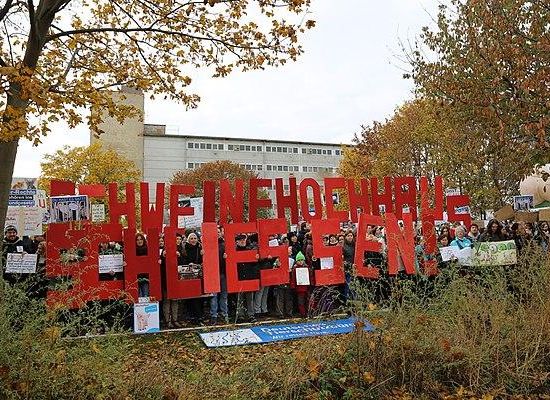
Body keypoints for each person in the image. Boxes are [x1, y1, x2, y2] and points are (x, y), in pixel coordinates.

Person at [235, 233, 258, 323]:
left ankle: (250, 315)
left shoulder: (249, 250)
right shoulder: (234, 251)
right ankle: (240, 315)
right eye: (241, 240)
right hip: (239, 277)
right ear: (237, 242)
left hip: (249, 276)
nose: (243, 241)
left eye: (244, 240)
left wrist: (256, 259)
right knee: (239, 298)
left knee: (249, 298)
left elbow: (254, 264)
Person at [183, 232, 204, 325]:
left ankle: (199, 316)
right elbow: (183, 260)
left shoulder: (200, 248)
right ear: (188, 240)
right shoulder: (184, 248)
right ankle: (191, 316)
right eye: (191, 238)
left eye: (195, 238)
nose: (193, 240)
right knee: (190, 296)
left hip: (198, 274)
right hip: (188, 275)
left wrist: (203, 255)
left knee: (199, 297)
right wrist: (189, 264)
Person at [209, 226, 228, 324]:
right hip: (213, 274)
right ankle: (214, 315)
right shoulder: (208, 244)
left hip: (223, 273)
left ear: (221, 233)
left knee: (224, 295)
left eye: (218, 232)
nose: (217, 234)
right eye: (215, 232)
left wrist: (226, 258)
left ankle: (224, 314)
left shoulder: (225, 244)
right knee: (213, 296)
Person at [291, 251, 312, 317]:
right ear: (296, 261)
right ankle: (303, 314)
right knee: (301, 302)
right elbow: (293, 278)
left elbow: (310, 276)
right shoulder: (295, 269)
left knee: (308, 301)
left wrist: (311, 284)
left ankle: (309, 313)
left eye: (301, 260)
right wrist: (293, 286)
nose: (300, 262)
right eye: (299, 260)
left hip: (306, 287)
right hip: (299, 289)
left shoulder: (307, 267)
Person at [135, 233, 149, 298]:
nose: (139, 241)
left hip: (145, 277)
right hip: (136, 278)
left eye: (141, 239)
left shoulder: (148, 249)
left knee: (145, 296)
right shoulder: (133, 250)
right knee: (138, 296)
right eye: (137, 240)